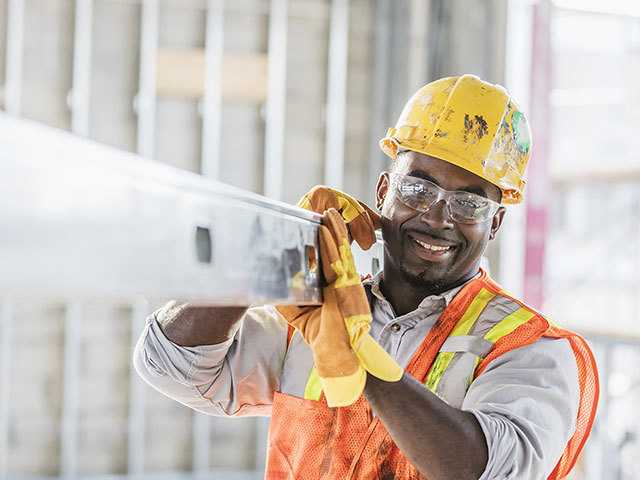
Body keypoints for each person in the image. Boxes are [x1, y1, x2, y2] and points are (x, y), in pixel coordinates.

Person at [134, 74, 598, 480]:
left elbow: (482, 471)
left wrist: (354, 355)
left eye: (470, 204)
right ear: (383, 192)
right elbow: (168, 364)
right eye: (417, 188)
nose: (438, 217)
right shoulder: (310, 314)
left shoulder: (530, 349)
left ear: (494, 223)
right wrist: (271, 251)